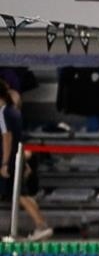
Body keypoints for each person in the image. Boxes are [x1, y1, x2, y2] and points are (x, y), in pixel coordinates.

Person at [0, 78, 52, 241]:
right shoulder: (14, 112)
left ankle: (41, 224)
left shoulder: (3, 113)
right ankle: (40, 224)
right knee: (22, 194)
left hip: (11, 159)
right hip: (18, 157)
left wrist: (5, 163)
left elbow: (7, 138)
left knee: (20, 195)